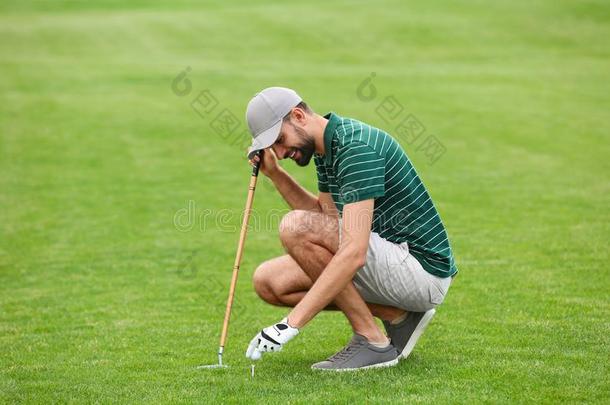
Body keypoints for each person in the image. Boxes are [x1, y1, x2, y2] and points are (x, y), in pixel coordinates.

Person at [244, 87, 457, 371]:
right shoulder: (326, 150)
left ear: (298, 116)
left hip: (422, 272)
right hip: (393, 262)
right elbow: (325, 219)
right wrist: (275, 174)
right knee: (270, 282)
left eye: (280, 140)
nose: (281, 153)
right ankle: (398, 317)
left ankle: (373, 341)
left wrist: (289, 325)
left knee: (294, 226)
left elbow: (353, 251)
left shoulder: (356, 148)